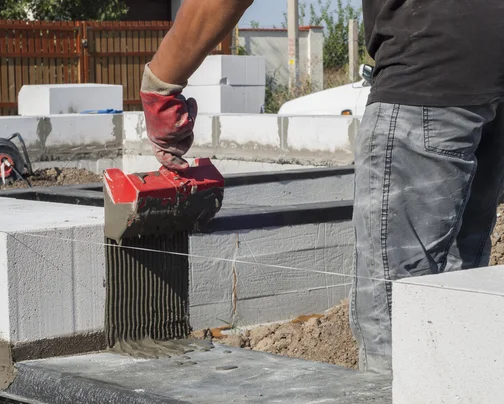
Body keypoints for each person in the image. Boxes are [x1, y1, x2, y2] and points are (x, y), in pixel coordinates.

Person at [140, 0, 504, 374]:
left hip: (429, 65)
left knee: (393, 311)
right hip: (494, 69)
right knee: (462, 292)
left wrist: (161, 83)